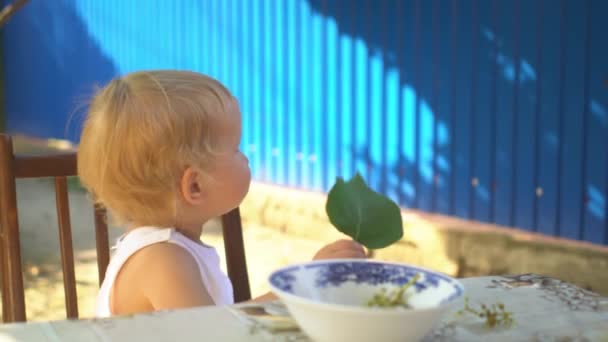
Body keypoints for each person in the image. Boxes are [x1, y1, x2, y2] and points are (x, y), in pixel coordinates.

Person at [77, 70, 366, 317]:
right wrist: (303, 285)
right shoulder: (163, 259)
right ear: (195, 186)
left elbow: (225, 320)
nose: (246, 158)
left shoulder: (171, 248)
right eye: (237, 148)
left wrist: (306, 282)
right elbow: (220, 332)